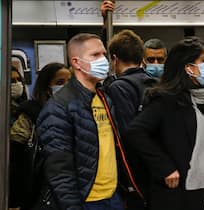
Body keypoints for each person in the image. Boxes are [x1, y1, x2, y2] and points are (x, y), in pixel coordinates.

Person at [126, 37, 204, 210]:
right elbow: (135, 132)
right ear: (188, 68)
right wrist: (164, 167)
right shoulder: (166, 99)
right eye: (203, 60)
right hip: (177, 191)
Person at [34, 33, 130, 210]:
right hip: (86, 200)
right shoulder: (59, 107)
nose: (103, 60)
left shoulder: (105, 98)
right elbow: (59, 169)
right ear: (77, 63)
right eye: (95, 55)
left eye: (103, 54)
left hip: (113, 196)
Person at [9, 62, 71, 210]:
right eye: (60, 82)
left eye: (70, 82)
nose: (67, 87)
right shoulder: (31, 114)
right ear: (47, 88)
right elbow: (17, 157)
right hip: (41, 192)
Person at [105, 29, 152, 210]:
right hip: (155, 166)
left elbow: (126, 134)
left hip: (135, 171)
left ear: (115, 59)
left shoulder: (119, 88)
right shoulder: (153, 82)